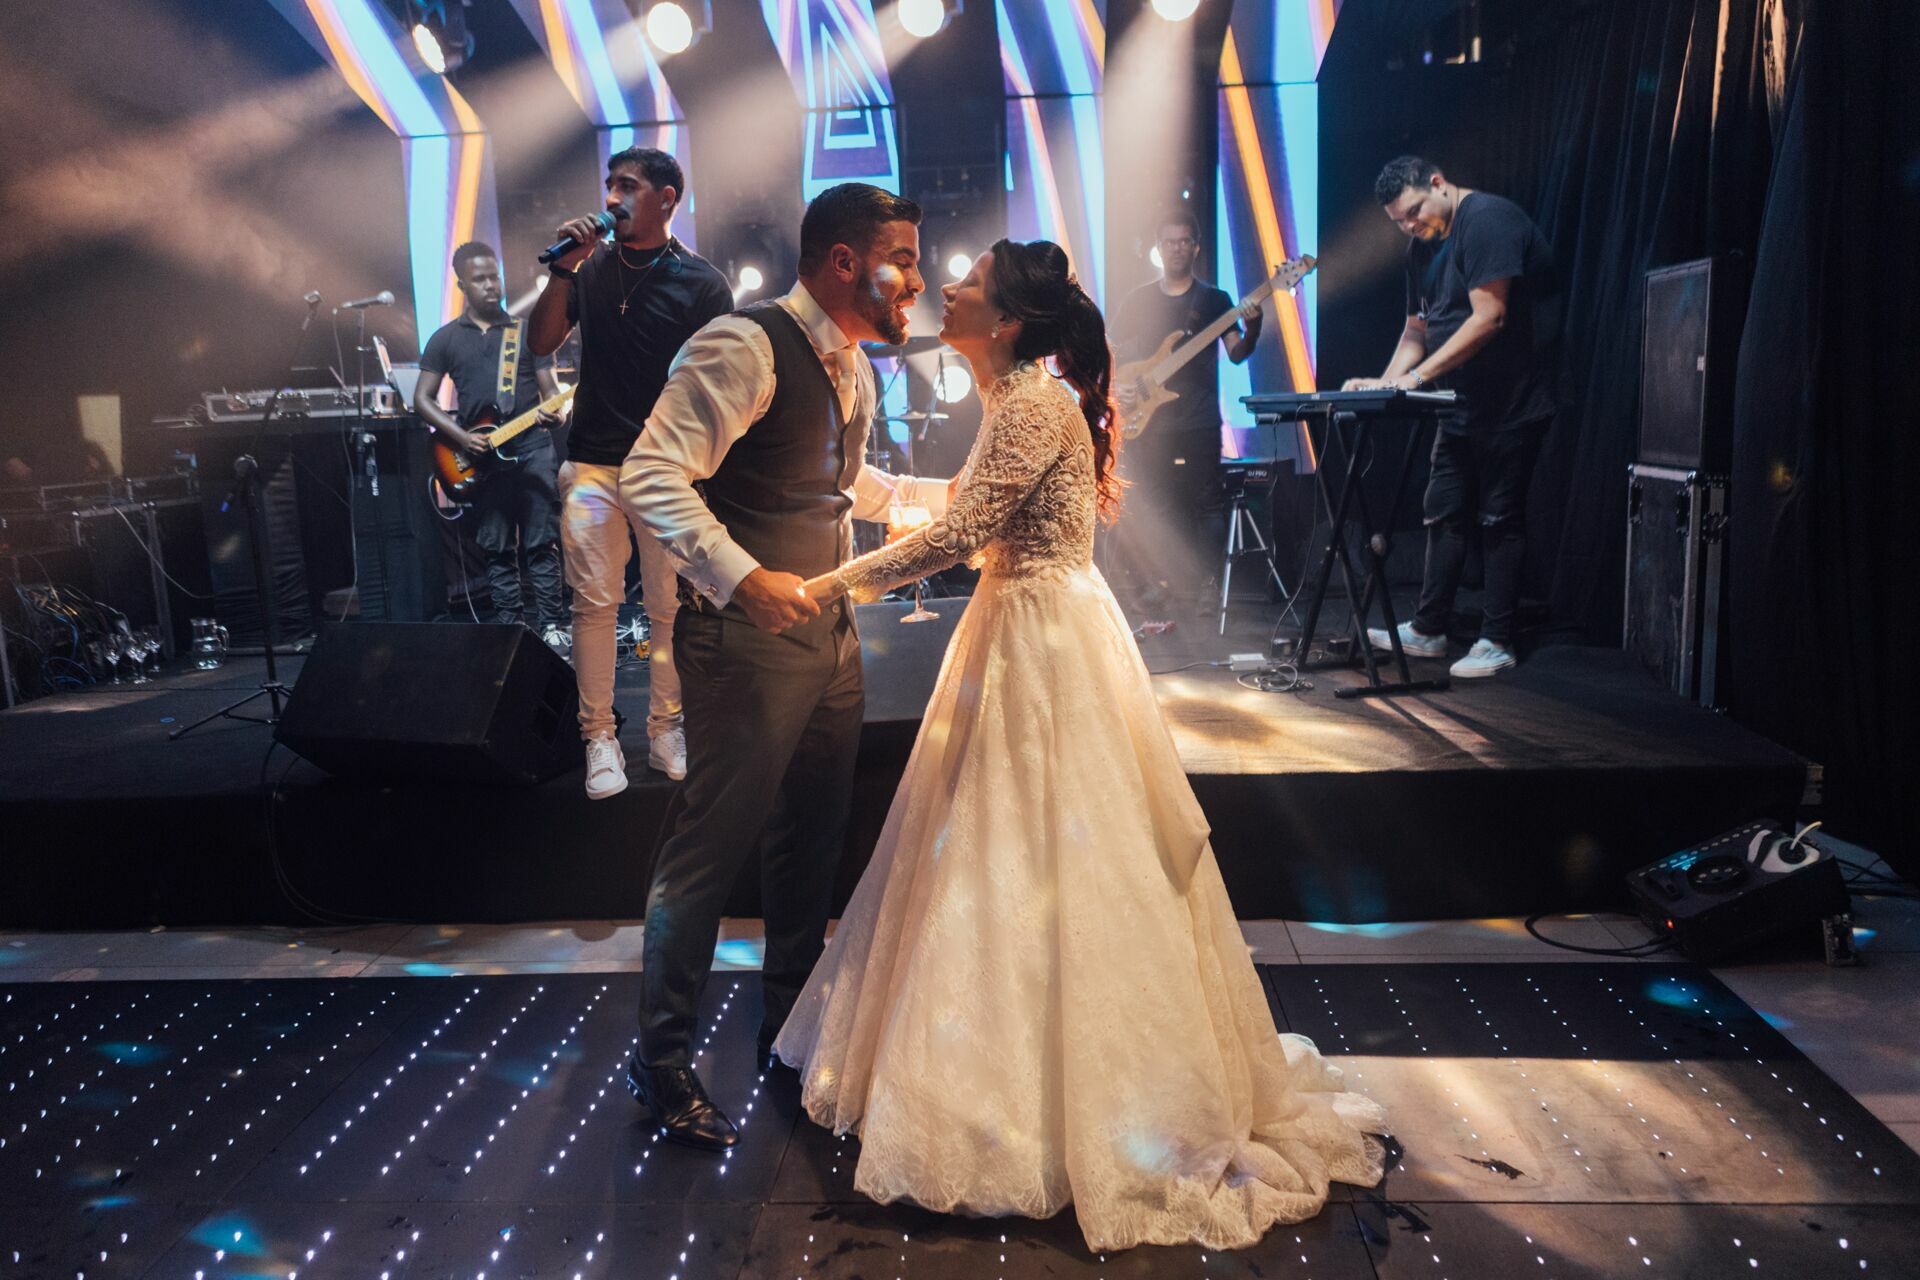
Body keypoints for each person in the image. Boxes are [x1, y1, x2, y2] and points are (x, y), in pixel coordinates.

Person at [774, 239, 1385, 1252]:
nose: (947, 291)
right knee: (998, 854)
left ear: (1007, 322)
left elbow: (961, 534)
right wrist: (871, 490)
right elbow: (965, 503)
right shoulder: (1017, 399)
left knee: (1034, 854)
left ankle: (1066, 1104)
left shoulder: (1032, 403)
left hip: (1043, 645)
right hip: (1024, 630)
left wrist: (827, 586)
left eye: (967, 286)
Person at [618, 183, 943, 1151]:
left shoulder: (854, 364)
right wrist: (742, 576)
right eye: (903, 260)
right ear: (844, 262)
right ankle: (661, 1062)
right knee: (708, 852)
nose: (917, 282)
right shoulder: (745, 345)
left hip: (829, 640)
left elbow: (841, 485)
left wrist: (956, 498)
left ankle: (790, 1032)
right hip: (744, 645)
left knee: (811, 840)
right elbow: (649, 472)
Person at [528, 147, 734, 794]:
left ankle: (666, 727)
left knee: (669, 607)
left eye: (628, 186)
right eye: (610, 185)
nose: (612, 197)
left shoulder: (702, 283)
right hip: (592, 463)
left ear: (666, 199)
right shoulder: (587, 268)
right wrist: (563, 270)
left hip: (668, 469)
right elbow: (541, 342)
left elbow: (720, 384)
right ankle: (599, 737)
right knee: (594, 604)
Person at [1347, 155, 1562, 678]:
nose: (1409, 226)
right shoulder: (1420, 248)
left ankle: (1497, 640)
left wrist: (1418, 378)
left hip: (1513, 401)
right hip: (1460, 402)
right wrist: (1385, 382)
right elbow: (1415, 331)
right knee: (1442, 510)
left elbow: (1490, 317)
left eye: (1413, 212)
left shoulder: (1486, 220)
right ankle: (1429, 629)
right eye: (1398, 221)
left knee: (1498, 518)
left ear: (1438, 184)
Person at [1109, 208, 1262, 615]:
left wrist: (1254, 326)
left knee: (1208, 504)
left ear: (1196, 248)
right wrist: (1117, 385)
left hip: (1199, 419)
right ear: (1158, 248)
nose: (1177, 248)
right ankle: (1162, 585)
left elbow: (1237, 354)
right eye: (1169, 242)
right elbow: (1108, 348)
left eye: (1184, 242)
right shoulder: (1139, 299)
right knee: (1157, 505)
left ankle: (1208, 587)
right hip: (1150, 421)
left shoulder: (1215, 300)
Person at [415, 241, 566, 640]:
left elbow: (552, 390)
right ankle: (511, 631)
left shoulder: (528, 332)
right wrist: (462, 437)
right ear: (462, 285)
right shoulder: (445, 339)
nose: (490, 286)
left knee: (542, 544)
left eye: (494, 277)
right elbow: (422, 399)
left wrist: (558, 412)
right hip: (480, 459)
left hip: (533, 451)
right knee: (497, 549)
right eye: (479, 279)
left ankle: (553, 626)